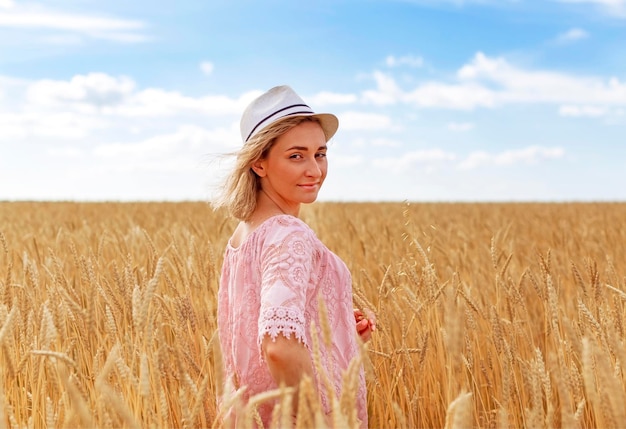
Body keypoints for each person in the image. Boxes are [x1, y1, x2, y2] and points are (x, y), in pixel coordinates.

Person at [212, 85, 375, 428]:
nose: (315, 170)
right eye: (296, 155)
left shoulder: (245, 235)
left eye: (320, 153)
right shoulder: (289, 234)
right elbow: (278, 347)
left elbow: (260, 330)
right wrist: (320, 419)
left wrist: (336, 327)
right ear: (259, 162)